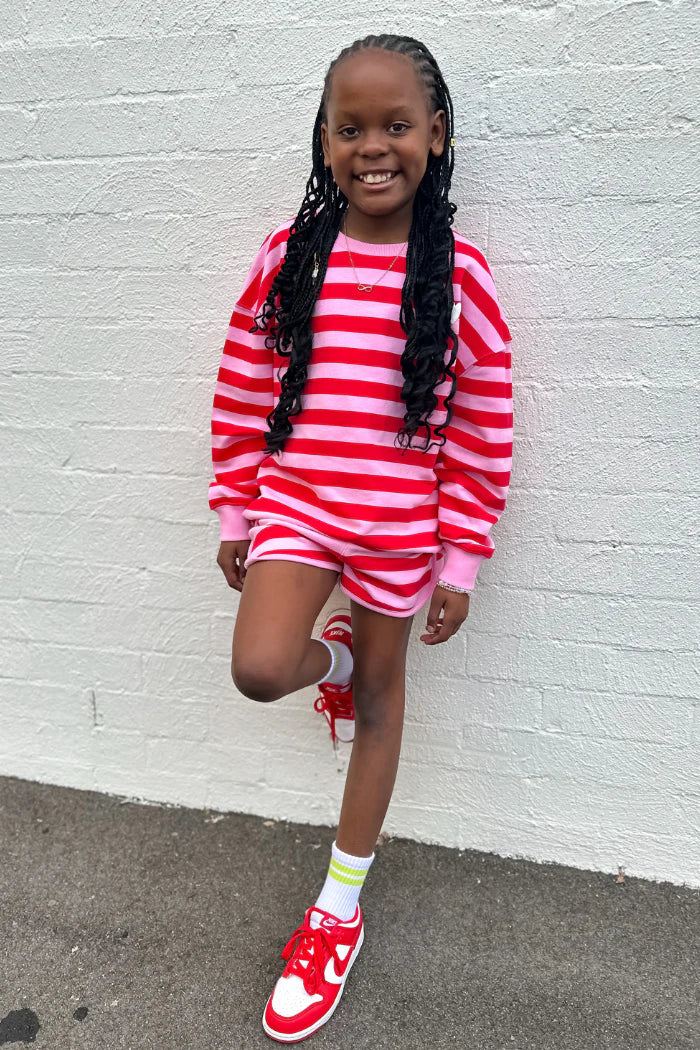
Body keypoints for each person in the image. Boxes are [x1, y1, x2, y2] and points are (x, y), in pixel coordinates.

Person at [208, 33, 513, 1044]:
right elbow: (245, 384)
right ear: (324, 140)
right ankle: (328, 656)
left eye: (395, 125)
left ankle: (336, 912)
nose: (372, 146)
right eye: (349, 128)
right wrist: (236, 507)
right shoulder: (290, 258)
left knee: (381, 706)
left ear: (437, 136)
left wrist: (460, 559)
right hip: (298, 507)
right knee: (260, 668)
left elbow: (480, 433)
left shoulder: (460, 278)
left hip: (399, 532)